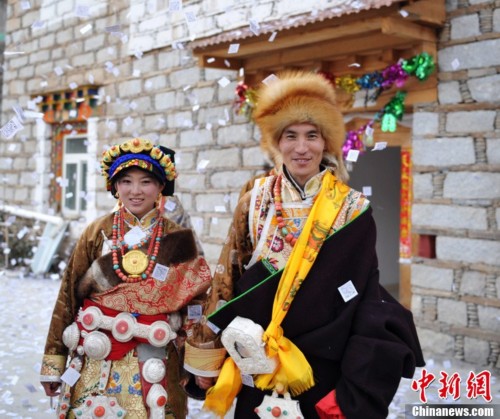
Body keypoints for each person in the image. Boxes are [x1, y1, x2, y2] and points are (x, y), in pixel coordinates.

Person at [184, 71, 425, 419]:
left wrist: (358, 380)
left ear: (326, 142)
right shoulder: (255, 200)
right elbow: (227, 277)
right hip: (257, 357)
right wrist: (206, 354)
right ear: (276, 142)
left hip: (323, 364)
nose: (301, 148)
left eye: (312, 135)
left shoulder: (351, 208)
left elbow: (363, 292)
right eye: (290, 136)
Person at [40, 138, 212, 418]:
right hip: (96, 355)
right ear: (114, 186)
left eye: (146, 182)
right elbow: (68, 297)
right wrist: (54, 362)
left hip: (157, 357)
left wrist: (199, 364)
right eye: (126, 181)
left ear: (161, 186)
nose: (135, 191)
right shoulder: (96, 233)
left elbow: (197, 305)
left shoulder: (179, 238)